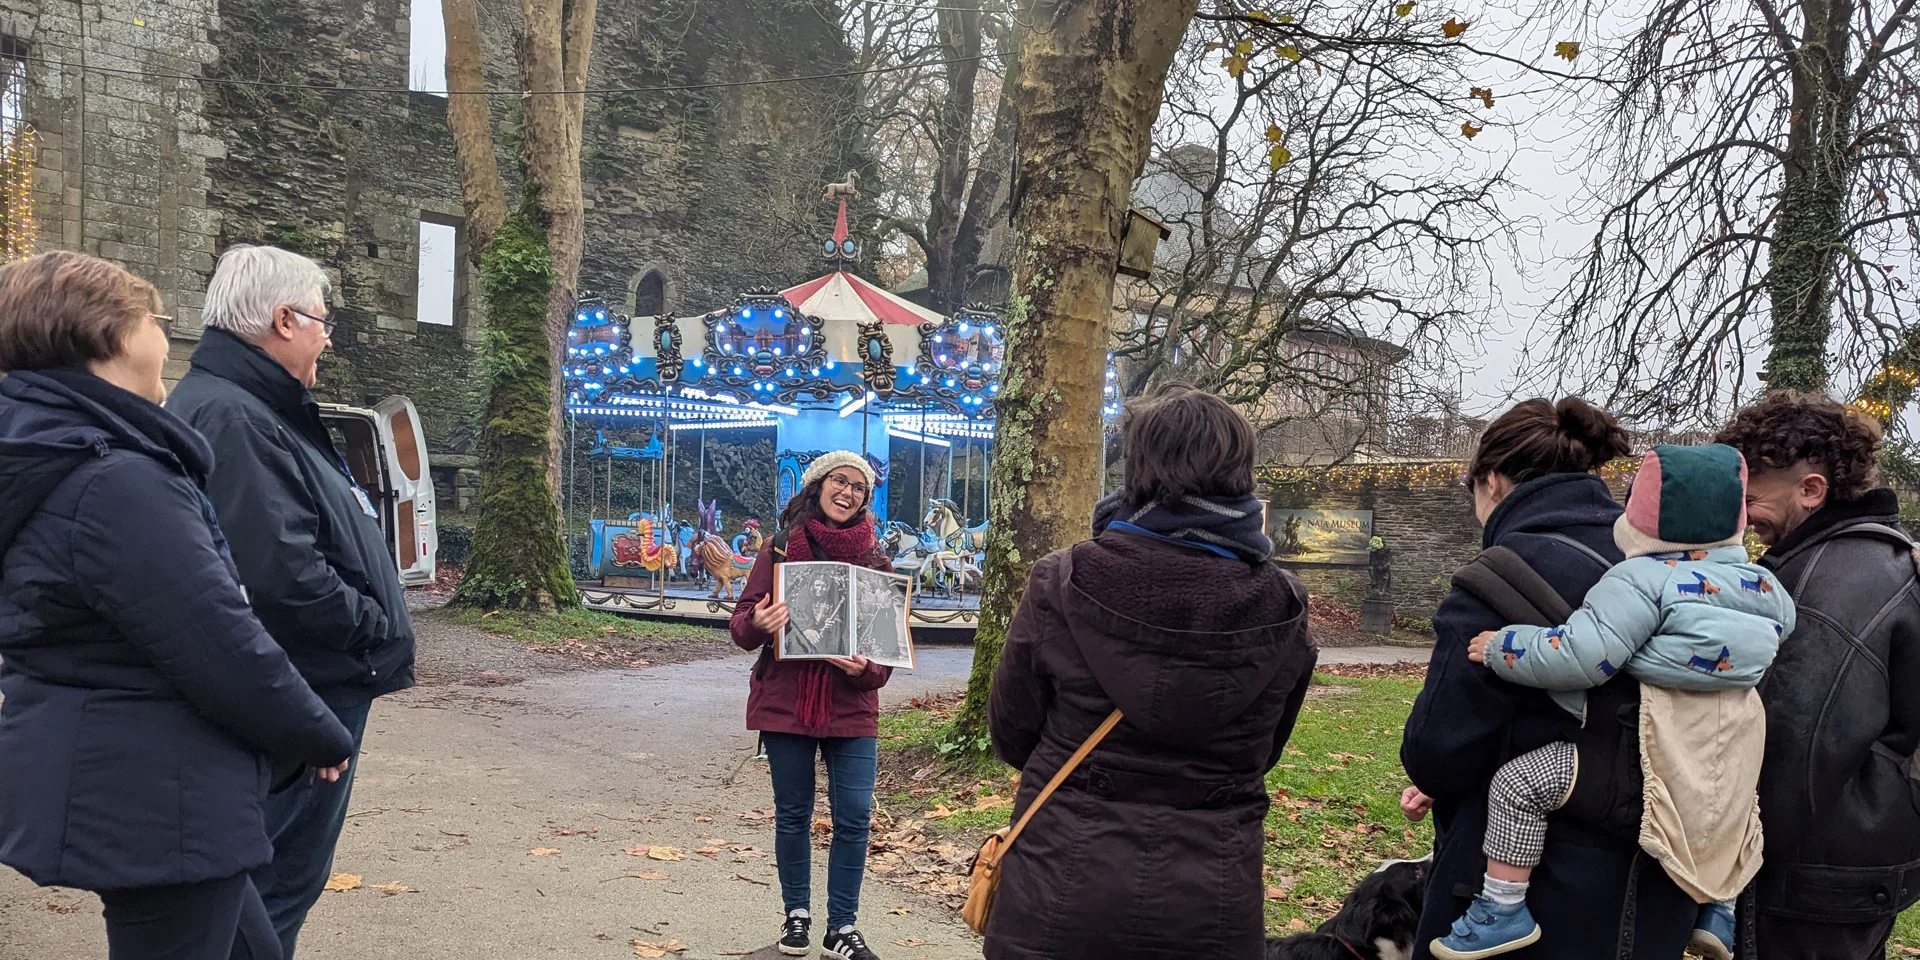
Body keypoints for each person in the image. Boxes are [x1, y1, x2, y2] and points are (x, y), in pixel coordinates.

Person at [0, 251, 355, 960]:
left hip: (129, 776)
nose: (167, 338)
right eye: (155, 320)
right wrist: (318, 732)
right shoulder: (116, 480)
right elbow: (219, 640)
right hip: (158, 797)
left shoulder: (51, 446)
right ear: (108, 336)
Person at [983, 383, 1318, 960]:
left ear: (1138, 466)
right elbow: (1266, 749)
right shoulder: (1285, 603)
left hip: (1060, 883)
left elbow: (1013, 733)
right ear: (1242, 474)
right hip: (1212, 897)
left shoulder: (1061, 580)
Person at [1421, 444, 1793, 960]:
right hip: (1732, 735)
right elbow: (1781, 632)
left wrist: (1504, 647)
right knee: (1736, 805)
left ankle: (1502, 908)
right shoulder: (1766, 586)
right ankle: (1718, 906)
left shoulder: (1641, 579)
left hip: (1655, 734)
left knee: (1519, 785)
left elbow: (1581, 655)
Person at [164, 245, 418, 956]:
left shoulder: (250, 405)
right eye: (321, 321)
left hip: (311, 681)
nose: (329, 337)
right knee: (271, 883)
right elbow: (279, 574)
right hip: (306, 686)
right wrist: (371, 628)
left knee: (272, 884)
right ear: (282, 320)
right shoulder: (238, 416)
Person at [1401, 397, 1699, 960]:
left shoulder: (1495, 581)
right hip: (1657, 880)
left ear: (1490, 481)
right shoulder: (1670, 566)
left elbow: (1437, 751)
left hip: (1528, 888)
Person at [1714, 392, 1920, 958]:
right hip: (1857, 854)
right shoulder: (1870, 559)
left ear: (1811, 490)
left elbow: (1796, 747)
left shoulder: (1832, 580)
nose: (1743, 516)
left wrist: (1728, 851)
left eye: (1751, 497)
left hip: (1813, 874)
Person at [730, 452, 895, 960]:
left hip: (850, 707)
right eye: (839, 482)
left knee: (855, 816)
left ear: (866, 500)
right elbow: (739, 626)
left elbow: (886, 654)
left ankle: (841, 927)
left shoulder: (874, 562)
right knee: (793, 814)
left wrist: (863, 669)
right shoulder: (779, 550)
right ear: (818, 486)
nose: (847, 493)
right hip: (787, 703)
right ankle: (797, 917)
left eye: (859, 488)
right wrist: (758, 623)